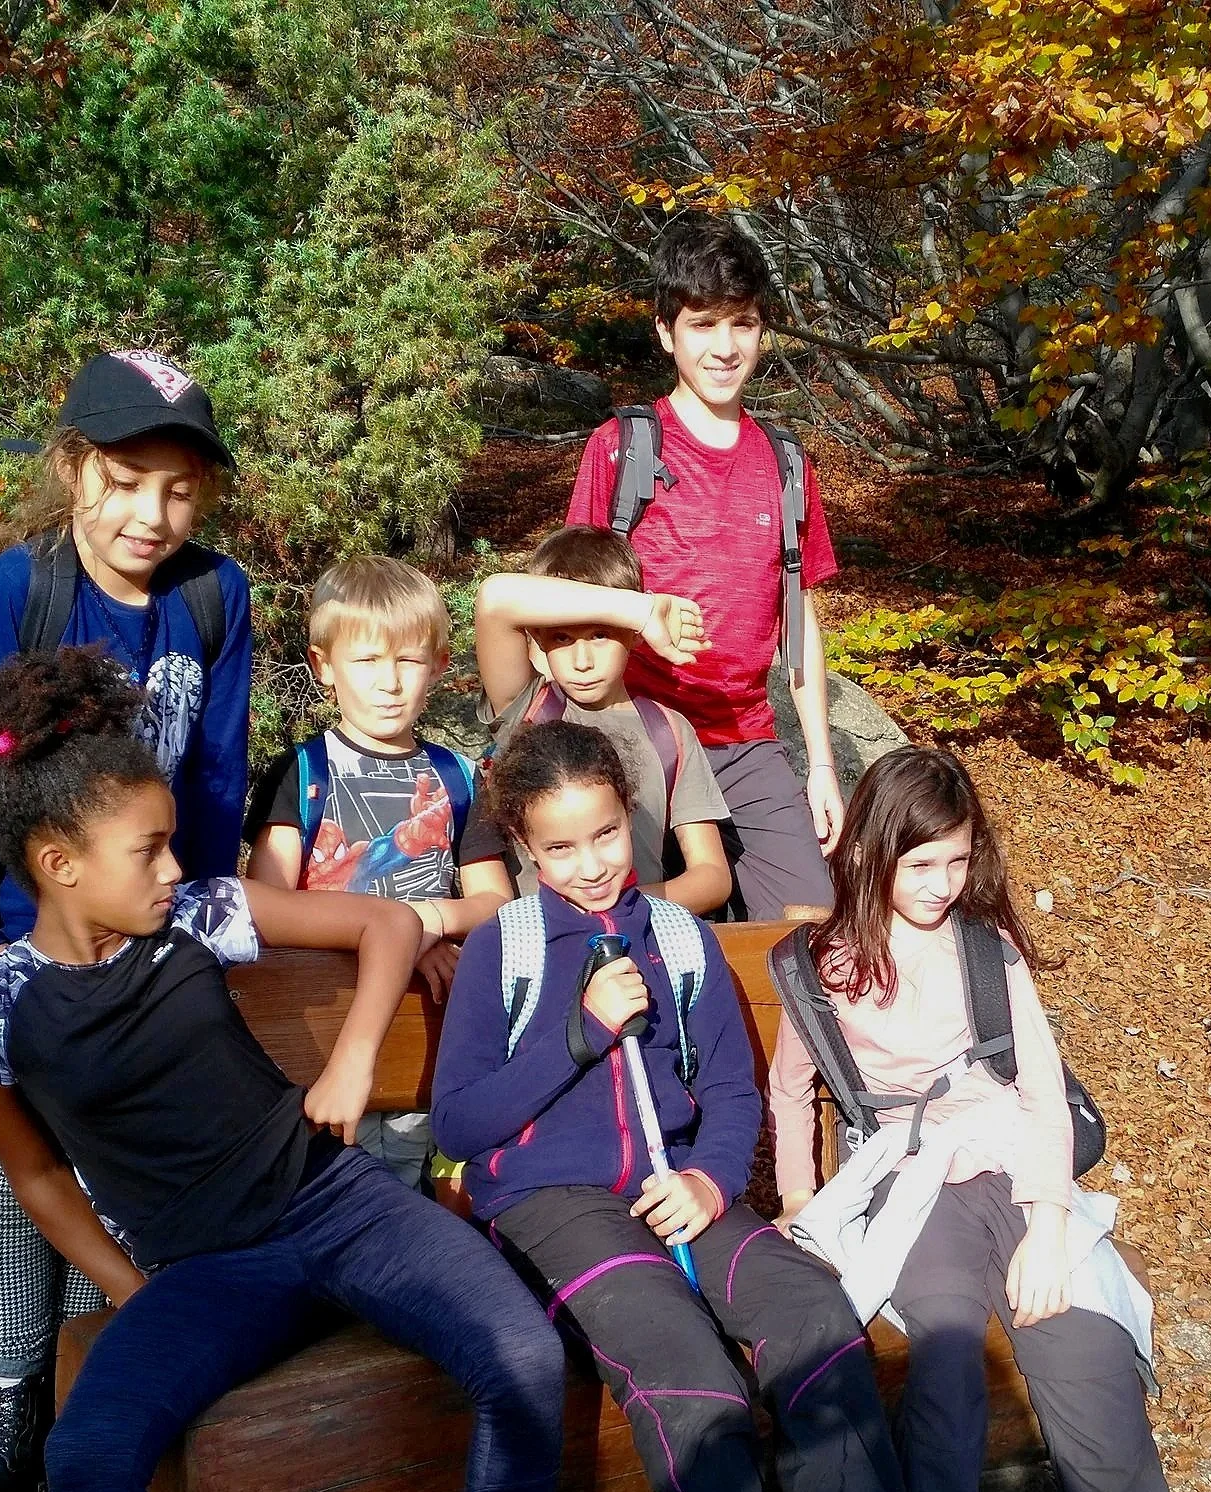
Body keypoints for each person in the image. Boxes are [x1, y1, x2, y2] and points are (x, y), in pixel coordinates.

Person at [0, 646, 573, 1492]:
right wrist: (130, 1296)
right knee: (90, 1453)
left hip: (338, 1207)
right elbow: (35, 1180)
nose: (176, 867)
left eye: (175, 844)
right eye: (149, 851)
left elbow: (385, 921)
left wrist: (347, 1060)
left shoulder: (209, 914)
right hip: (209, 1274)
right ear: (59, 866)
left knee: (522, 1358)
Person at [430, 719, 1035, 1492]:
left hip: (682, 1198)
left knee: (813, 1319)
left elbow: (741, 1101)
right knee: (689, 1378)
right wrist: (574, 1034)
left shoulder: (676, 935)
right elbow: (463, 1121)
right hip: (556, 1209)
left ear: (634, 817)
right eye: (559, 848)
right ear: (521, 843)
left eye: (606, 834)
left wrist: (713, 1183)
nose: (591, 864)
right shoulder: (503, 949)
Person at [767, 747, 1211, 1492]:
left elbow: (1040, 1095)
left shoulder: (987, 954)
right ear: (875, 853)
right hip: (908, 1184)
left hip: (1019, 1175)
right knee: (943, 1366)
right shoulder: (823, 965)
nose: (940, 887)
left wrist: (1054, 1222)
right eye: (920, 865)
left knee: (1087, 1356)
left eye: (957, 863)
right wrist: (800, 1202)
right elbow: (789, 1089)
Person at [0, 348, 257, 1492]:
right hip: (30, 938)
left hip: (152, 924)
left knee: (109, 1169)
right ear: (73, 470)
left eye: (176, 490)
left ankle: (80, 1390)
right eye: (124, 481)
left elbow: (216, 776)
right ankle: (11, 1401)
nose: (150, 515)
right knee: (25, 1175)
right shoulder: (27, 587)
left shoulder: (215, 598)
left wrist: (192, 926)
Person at [563, 213, 844, 921]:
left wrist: (821, 766)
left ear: (763, 330)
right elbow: (570, 592)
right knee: (636, 924)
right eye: (703, 324)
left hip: (745, 741)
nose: (725, 347)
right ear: (666, 331)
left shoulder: (787, 465)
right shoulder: (623, 448)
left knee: (810, 934)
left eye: (742, 324)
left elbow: (799, 620)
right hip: (634, 733)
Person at [247, 556, 513, 1186]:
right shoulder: (303, 772)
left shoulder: (458, 778)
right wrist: (394, 935)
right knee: (318, 1188)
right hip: (320, 1020)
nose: (389, 682)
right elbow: (268, 906)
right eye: (367, 661)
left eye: (409, 660)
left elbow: (494, 902)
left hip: (422, 1026)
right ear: (324, 667)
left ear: (441, 667)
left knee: (402, 1187)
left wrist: (424, 923)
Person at [473, 525, 733, 914]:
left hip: (638, 936)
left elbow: (712, 874)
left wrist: (622, 906)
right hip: (545, 945)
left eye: (599, 635)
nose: (582, 661)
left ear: (633, 636)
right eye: (561, 638)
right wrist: (638, 610)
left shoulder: (669, 731)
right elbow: (494, 599)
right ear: (539, 640)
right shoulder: (526, 707)